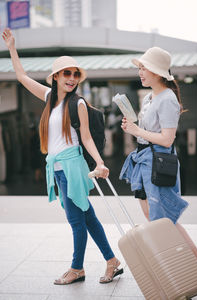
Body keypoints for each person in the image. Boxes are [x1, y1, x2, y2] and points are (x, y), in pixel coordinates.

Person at [2, 28, 123, 284]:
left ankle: (77, 268)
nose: (71, 78)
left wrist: (100, 162)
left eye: (75, 74)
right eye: (66, 73)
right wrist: (12, 47)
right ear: (55, 77)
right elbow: (22, 77)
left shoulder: (77, 104)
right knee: (87, 216)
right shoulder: (49, 99)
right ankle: (112, 261)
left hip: (73, 167)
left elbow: (87, 137)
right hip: (57, 168)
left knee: (76, 220)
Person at [120, 46, 197, 261]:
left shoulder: (167, 99)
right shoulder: (148, 98)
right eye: (140, 68)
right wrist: (132, 128)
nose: (140, 72)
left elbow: (167, 139)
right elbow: (147, 132)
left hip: (159, 161)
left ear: (158, 72)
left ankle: (193, 260)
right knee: (151, 216)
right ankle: (183, 260)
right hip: (144, 159)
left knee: (162, 219)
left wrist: (137, 131)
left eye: (144, 68)